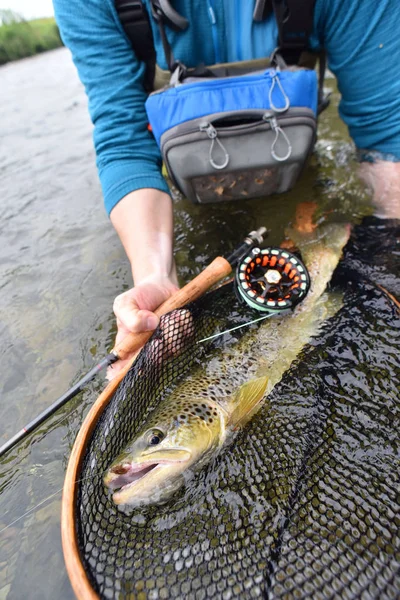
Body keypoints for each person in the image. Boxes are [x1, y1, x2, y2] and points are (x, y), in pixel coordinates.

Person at [53, 0, 400, 377]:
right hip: (191, 185)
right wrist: (155, 276)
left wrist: (385, 246)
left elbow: (387, 129)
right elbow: (125, 141)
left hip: (297, 177)